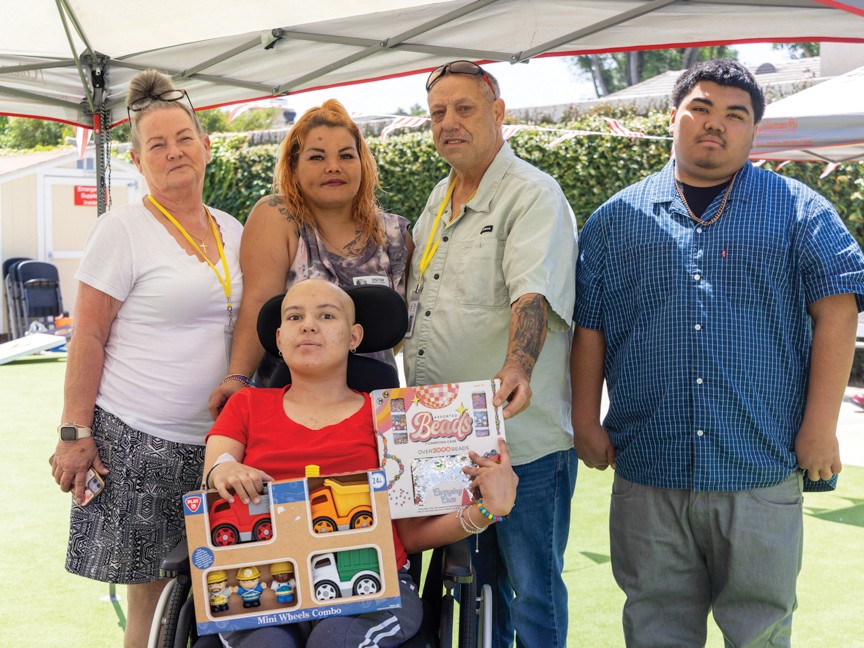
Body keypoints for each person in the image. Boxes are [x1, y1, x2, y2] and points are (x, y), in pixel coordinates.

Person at [572, 58, 864, 647]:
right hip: (649, 463)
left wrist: (821, 427)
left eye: (735, 115)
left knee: (760, 629)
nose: (715, 124)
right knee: (654, 626)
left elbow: (838, 311)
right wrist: (584, 421)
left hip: (758, 462)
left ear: (753, 129)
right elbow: (590, 328)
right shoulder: (614, 221)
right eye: (700, 108)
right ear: (673, 117)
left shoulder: (800, 211)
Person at [205, 278, 518, 647]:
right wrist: (224, 469)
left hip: (372, 589)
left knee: (333, 641)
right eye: (294, 317)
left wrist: (488, 509)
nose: (308, 325)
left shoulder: (391, 419)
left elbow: (410, 535)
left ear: (354, 337)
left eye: (326, 316)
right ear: (279, 338)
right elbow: (215, 469)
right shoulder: (247, 405)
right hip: (262, 587)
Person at [48, 70, 243, 648]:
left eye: (183, 138)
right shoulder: (122, 229)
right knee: (153, 607)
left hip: (221, 446)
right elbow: (87, 337)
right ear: (137, 161)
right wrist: (74, 431)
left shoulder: (233, 230)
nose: (174, 152)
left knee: (224, 598)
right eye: (157, 145)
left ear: (206, 147)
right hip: (137, 443)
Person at [402, 60, 579, 648]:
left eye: (464, 109)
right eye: (437, 114)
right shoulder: (439, 196)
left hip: (522, 445)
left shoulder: (532, 193)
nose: (448, 123)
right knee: (476, 595)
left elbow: (532, 293)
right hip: (447, 443)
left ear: (498, 112)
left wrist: (518, 366)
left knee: (532, 595)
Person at [208, 99, 411, 418]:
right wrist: (237, 378)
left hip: (376, 412)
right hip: (291, 414)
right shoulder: (277, 217)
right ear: (293, 167)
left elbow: (397, 330)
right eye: (317, 157)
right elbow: (258, 303)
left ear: (362, 163)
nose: (333, 166)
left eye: (346, 155)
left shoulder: (396, 234)